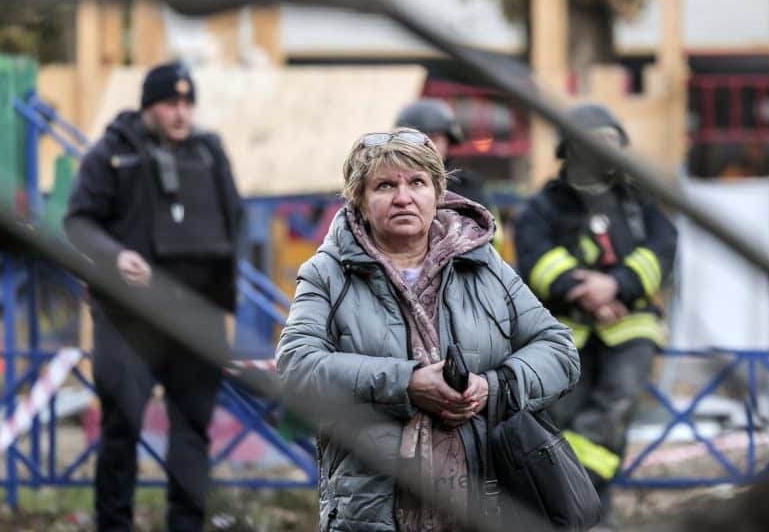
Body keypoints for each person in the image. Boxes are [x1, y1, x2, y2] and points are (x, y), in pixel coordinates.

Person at [276, 128, 580, 531]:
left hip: (485, 500)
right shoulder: (328, 273)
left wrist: (494, 386)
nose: (403, 197)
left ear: (438, 194)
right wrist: (406, 384)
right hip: (373, 509)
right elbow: (296, 364)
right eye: (385, 185)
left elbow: (558, 348)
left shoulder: (483, 265)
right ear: (360, 202)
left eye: (417, 182)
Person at [64, 62, 242, 531]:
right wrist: (115, 256)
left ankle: (186, 524)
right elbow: (79, 221)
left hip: (196, 315)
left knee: (193, 432)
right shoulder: (112, 153)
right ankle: (114, 524)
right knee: (121, 431)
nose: (181, 114)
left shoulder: (209, 151)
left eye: (187, 104)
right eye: (170, 104)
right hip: (128, 319)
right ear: (149, 106)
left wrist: (224, 302)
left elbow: (233, 221)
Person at [514, 103, 677, 523]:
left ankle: (581, 501)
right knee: (556, 416)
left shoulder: (640, 203)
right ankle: (569, 505)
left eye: (613, 143)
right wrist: (587, 292)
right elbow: (536, 258)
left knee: (615, 407)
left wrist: (616, 285)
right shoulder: (545, 206)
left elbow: (662, 250)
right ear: (571, 149)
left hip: (630, 326)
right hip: (564, 328)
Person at [394, 98, 505, 249]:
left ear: (449, 142)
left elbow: (489, 238)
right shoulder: (386, 185)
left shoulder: (469, 189)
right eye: (415, 139)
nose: (425, 147)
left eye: (433, 139)